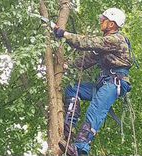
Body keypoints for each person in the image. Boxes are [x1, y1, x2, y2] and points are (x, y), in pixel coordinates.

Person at [54, 8, 133, 156]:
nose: (100, 22)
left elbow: (87, 42)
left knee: (95, 111)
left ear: (112, 24)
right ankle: (69, 127)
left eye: (103, 20)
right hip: (104, 83)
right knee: (73, 89)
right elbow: (88, 59)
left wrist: (64, 34)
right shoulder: (105, 45)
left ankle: (80, 148)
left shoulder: (115, 39)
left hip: (115, 82)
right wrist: (67, 65)